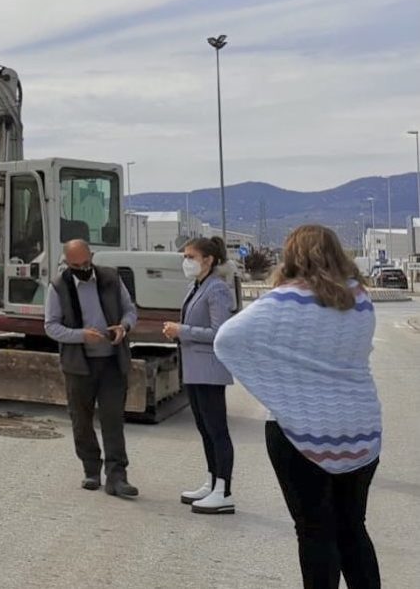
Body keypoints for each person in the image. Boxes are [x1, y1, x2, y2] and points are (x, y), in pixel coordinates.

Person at [215, 225, 382, 588]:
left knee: (314, 532)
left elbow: (227, 339)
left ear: (292, 256)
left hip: (302, 434)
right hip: (360, 430)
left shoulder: (281, 301)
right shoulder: (360, 299)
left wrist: (280, 390)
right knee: (353, 529)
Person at [44, 239, 139, 498]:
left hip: (111, 361)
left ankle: (117, 477)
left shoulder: (111, 278)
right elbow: (51, 326)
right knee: (81, 419)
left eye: (86, 263)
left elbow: (131, 311)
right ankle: (91, 470)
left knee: (112, 419)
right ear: (67, 264)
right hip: (78, 364)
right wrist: (80, 335)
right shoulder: (58, 286)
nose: (83, 269)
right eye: (76, 265)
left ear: (92, 257)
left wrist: (124, 327)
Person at [162, 237, 237, 514]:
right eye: (185, 256)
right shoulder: (196, 286)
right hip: (194, 370)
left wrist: (182, 331)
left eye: (191, 256)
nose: (186, 262)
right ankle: (211, 480)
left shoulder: (217, 289)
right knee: (205, 429)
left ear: (208, 260)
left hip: (210, 371)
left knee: (217, 430)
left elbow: (221, 332)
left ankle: (224, 489)